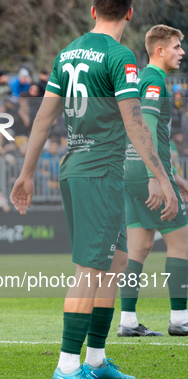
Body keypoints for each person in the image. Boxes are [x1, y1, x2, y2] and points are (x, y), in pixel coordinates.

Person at [11, 0, 178, 379]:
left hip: (82, 169)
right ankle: (68, 367)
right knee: (90, 269)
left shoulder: (68, 52)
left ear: (91, 11)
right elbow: (135, 121)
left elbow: (43, 117)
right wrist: (162, 176)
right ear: (130, 13)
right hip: (98, 172)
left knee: (115, 261)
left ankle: (97, 359)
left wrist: (27, 173)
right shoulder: (120, 56)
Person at [118, 25, 188, 337]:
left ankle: (128, 321)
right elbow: (145, 123)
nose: (181, 52)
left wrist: (173, 178)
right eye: (176, 47)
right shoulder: (154, 79)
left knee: (140, 247)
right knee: (182, 242)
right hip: (145, 172)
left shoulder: (144, 78)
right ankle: (180, 319)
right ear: (159, 50)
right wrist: (154, 178)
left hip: (130, 170)